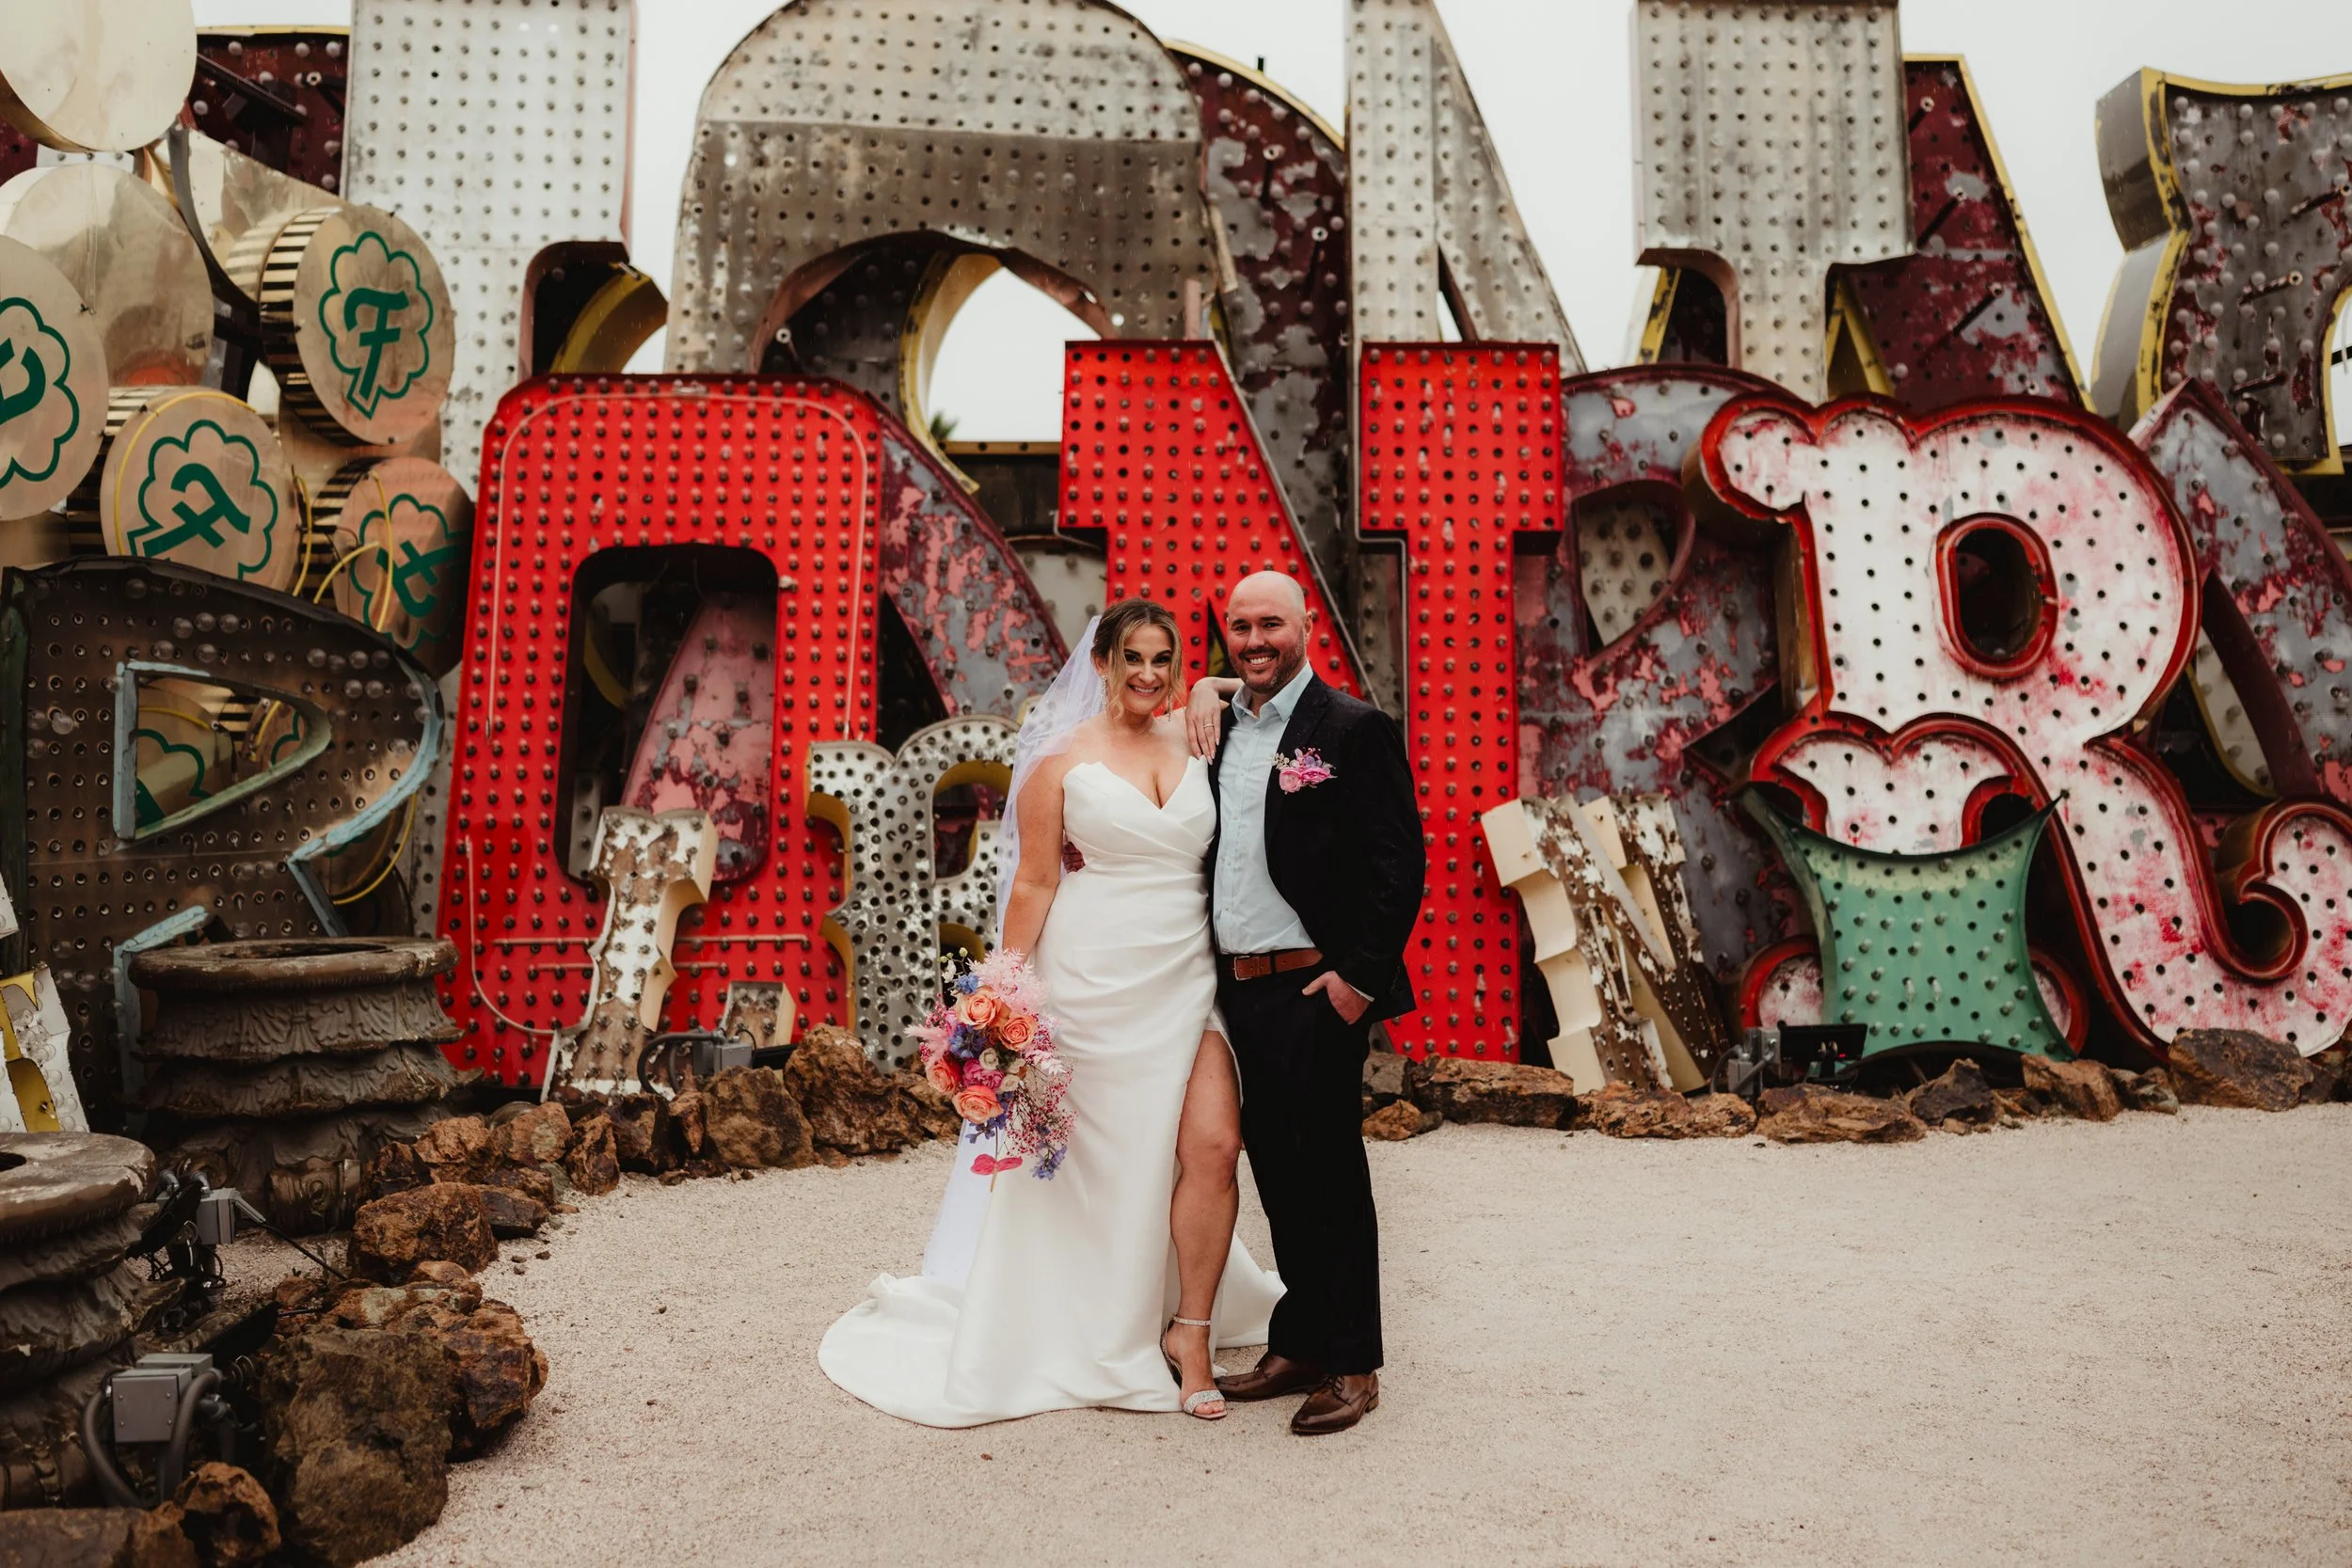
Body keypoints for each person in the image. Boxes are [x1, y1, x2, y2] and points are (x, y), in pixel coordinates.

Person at [818, 599, 1280, 1427]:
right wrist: (1002, 993)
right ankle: (1086, 1317)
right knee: (1098, 1163)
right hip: (1088, 979)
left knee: (1214, 1145)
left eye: (1163, 660)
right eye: (1132, 657)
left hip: (1187, 975)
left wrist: (1212, 686)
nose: (1148, 674)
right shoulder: (1059, 758)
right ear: (1101, 662)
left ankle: (1192, 1331)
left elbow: (1251, 701)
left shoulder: (1198, 734)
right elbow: (1035, 879)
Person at [1181, 571, 1424, 1436]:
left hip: (1315, 986)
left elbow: (1398, 862)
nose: (1255, 639)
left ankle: (1354, 1362)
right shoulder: (1219, 727)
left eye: (1271, 624)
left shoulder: (1352, 728)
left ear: (1307, 625)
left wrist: (1358, 978)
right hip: (1235, 988)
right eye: (1240, 624)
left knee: (1329, 1171)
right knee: (1277, 1174)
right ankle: (1301, 1342)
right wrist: (1203, 688)